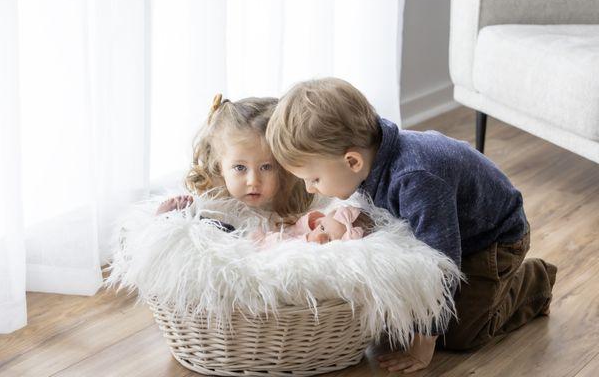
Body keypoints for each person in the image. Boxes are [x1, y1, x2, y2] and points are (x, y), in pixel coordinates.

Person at [265, 77, 557, 373]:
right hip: (447, 231)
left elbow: (441, 266)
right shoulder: (371, 155)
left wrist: (423, 343)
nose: (311, 189)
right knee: (398, 323)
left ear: (352, 161)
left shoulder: (416, 178)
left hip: (493, 240)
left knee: (459, 333)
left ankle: (535, 282)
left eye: (313, 180)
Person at [156, 94, 313, 233]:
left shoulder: (293, 203)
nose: (253, 181)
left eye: (266, 167)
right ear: (219, 166)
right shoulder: (211, 205)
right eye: (240, 167)